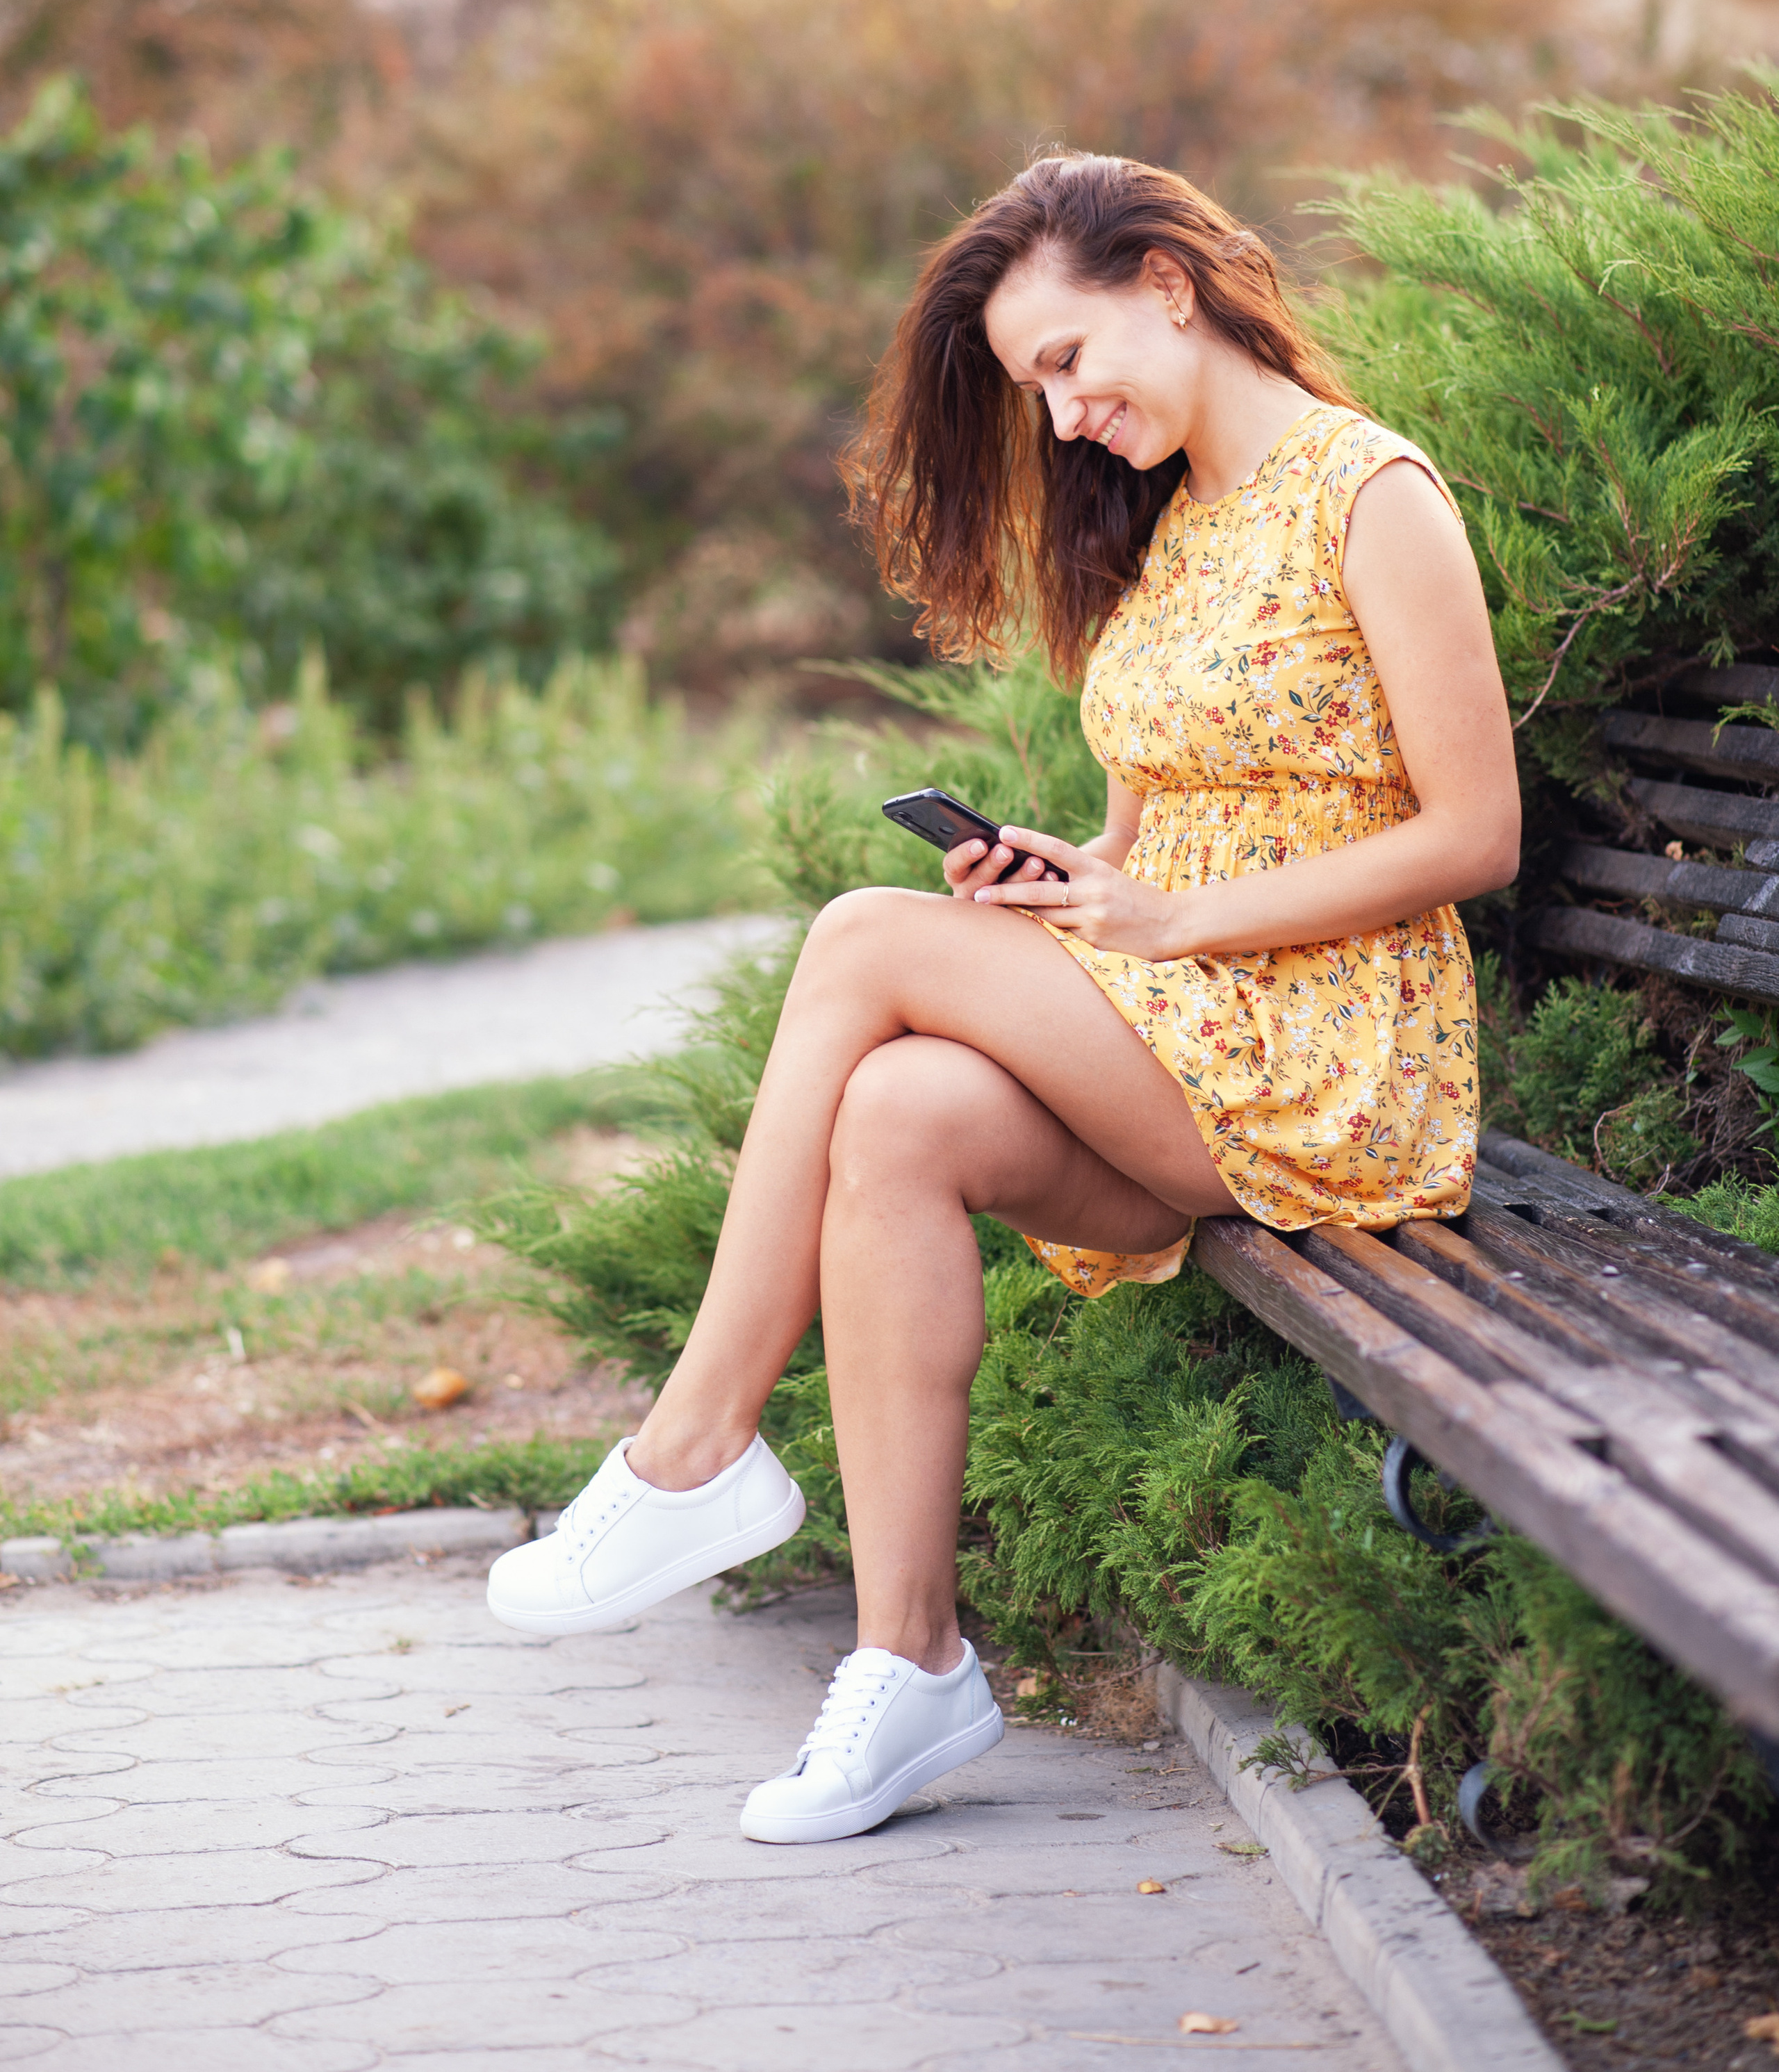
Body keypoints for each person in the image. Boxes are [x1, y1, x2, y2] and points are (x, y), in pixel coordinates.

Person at [487, 151, 1520, 1845]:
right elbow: (1151, 822)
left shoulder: (1367, 490)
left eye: (1063, 361)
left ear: (1167, 285)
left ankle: (693, 1447)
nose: (1057, 414)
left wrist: (1171, 917)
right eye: (1032, 384)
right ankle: (908, 1670)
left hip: (1334, 1050)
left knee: (859, 937)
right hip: (1189, 1021)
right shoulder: (1174, 517)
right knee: (892, 1115)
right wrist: (1077, 877)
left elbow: (1473, 832)